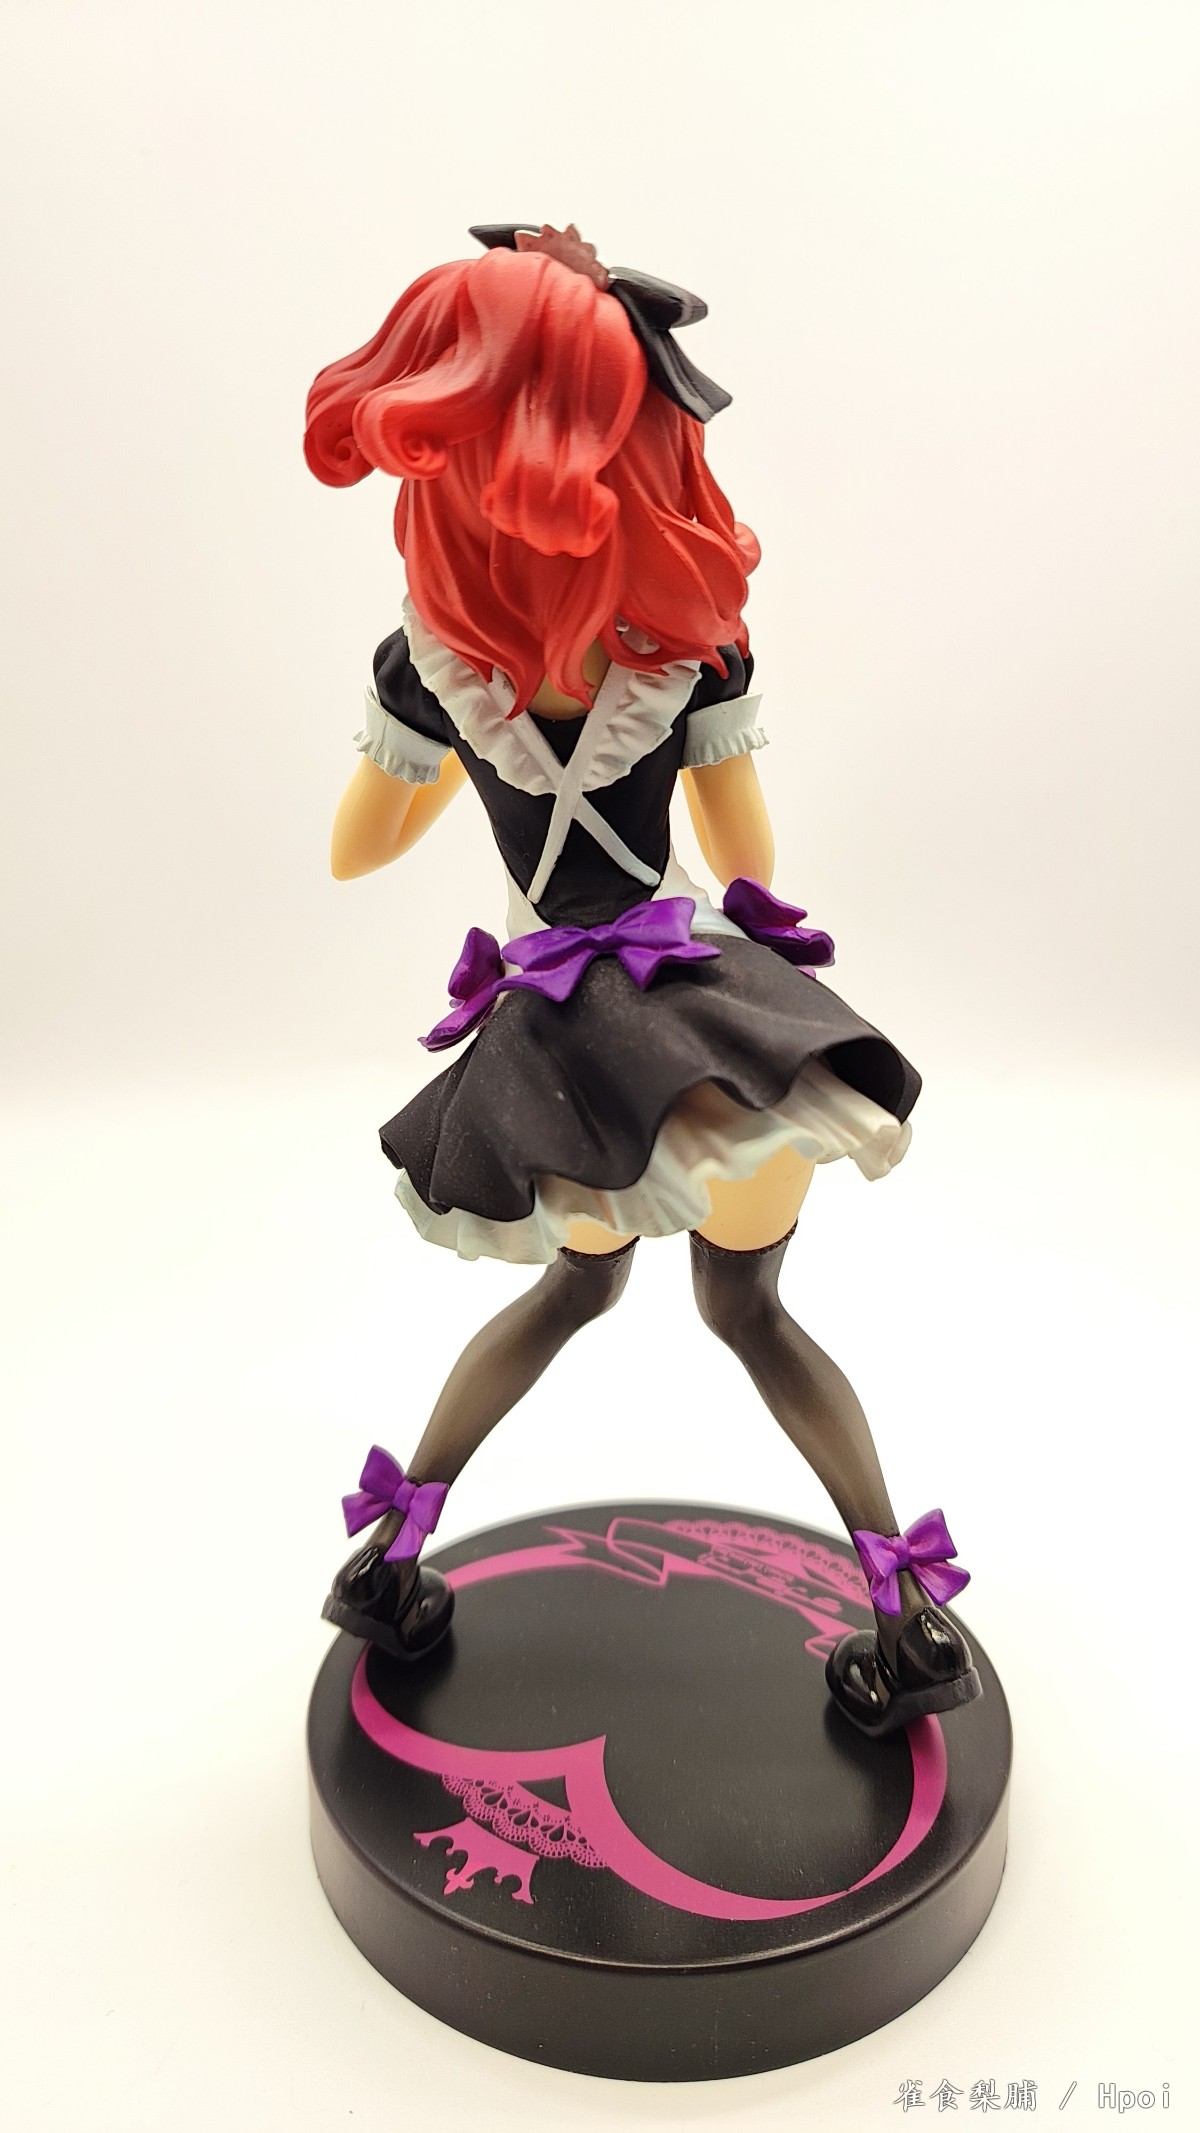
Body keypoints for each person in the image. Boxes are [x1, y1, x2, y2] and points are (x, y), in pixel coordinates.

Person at [303, 223, 979, 1737]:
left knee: (574, 1288)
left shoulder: (434, 659)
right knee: (752, 1312)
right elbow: (745, 859)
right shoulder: (689, 644)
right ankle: (907, 1618)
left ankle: (390, 1561)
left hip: (561, 1060)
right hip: (711, 1037)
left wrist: (451, 742)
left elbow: (358, 848)